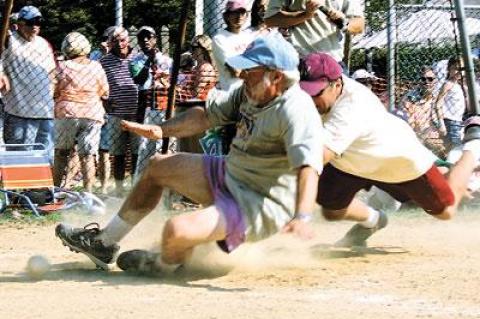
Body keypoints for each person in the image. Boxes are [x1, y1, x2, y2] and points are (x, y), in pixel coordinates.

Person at [55, 33, 323, 273]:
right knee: (158, 165)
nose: (242, 76)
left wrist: (302, 216)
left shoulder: (295, 110)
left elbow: (308, 167)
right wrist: (161, 130)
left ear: (276, 76)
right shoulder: (251, 92)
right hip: (231, 171)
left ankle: (162, 265)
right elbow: (206, 116)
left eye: (250, 71)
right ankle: (104, 242)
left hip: (258, 202)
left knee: (176, 230)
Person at [299, 52, 480, 247]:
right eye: (305, 93)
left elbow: (318, 157)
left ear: (337, 83)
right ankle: (374, 221)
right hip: (352, 161)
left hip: (398, 162)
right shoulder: (312, 96)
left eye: (316, 93)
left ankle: (474, 142)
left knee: (447, 210)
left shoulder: (352, 105)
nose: (310, 100)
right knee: (332, 209)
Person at [53, 32, 109, 192]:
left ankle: (55, 190)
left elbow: (54, 90)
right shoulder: (96, 66)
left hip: (67, 112)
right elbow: (105, 92)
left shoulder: (61, 66)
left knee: (61, 152)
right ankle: (88, 192)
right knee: (88, 155)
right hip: (92, 112)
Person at [0, 6, 56, 161]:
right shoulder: (10, 41)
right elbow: (3, 30)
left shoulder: (43, 44)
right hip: (19, 112)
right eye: (31, 22)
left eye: (38, 22)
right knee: (21, 160)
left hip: (45, 112)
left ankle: (41, 186)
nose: (35, 26)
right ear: (20, 23)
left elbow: (52, 74)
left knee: (45, 160)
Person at [100, 27, 139, 196]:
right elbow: (99, 85)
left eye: (122, 40)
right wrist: (105, 103)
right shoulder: (105, 61)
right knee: (118, 153)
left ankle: (136, 186)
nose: (120, 44)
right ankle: (118, 188)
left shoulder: (138, 57)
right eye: (115, 40)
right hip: (117, 113)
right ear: (110, 42)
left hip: (137, 113)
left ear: (128, 40)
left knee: (138, 153)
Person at [264, 0, 364, 63]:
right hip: (295, 62)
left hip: (332, 62)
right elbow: (270, 19)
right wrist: (305, 15)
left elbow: (359, 25)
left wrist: (342, 22)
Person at [400, 66, 447, 158]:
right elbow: (409, 127)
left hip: (440, 139)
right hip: (418, 140)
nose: (426, 82)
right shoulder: (409, 99)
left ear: (436, 81)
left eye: (430, 79)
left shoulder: (440, 98)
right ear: (419, 81)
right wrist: (425, 137)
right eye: (423, 79)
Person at [130, 26, 172, 123]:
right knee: (143, 135)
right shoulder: (135, 60)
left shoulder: (167, 60)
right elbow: (139, 80)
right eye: (141, 38)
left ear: (155, 39)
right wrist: (149, 59)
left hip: (162, 99)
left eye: (148, 37)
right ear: (138, 42)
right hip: (144, 100)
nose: (145, 40)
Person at [212, 0, 255, 92]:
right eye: (234, 12)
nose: (239, 16)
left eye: (242, 12)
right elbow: (236, 71)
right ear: (226, 16)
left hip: (252, 89)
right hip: (232, 92)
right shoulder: (220, 39)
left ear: (247, 16)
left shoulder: (249, 36)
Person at [436, 57, 467, 151]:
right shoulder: (448, 84)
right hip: (450, 122)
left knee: (457, 148)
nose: (459, 72)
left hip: (458, 121)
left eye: (462, 69)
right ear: (449, 69)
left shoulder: (458, 85)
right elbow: (438, 104)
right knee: (455, 149)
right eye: (456, 68)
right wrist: (441, 123)